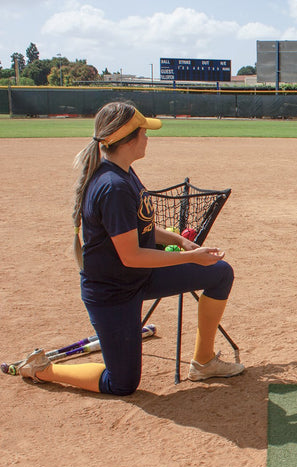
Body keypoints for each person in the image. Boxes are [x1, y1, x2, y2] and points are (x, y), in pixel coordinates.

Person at [16, 101, 244, 395]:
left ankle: (203, 362)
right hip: (113, 292)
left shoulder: (124, 172)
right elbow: (132, 255)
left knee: (219, 273)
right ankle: (43, 369)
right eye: (144, 132)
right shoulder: (112, 186)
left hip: (139, 277)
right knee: (122, 383)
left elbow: (140, 226)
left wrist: (177, 240)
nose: (148, 137)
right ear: (128, 139)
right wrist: (192, 257)